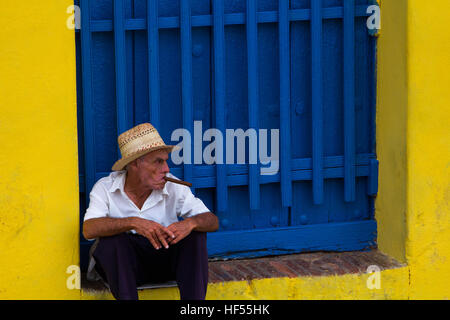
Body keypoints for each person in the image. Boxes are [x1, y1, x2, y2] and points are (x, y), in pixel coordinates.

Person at [82, 123, 219, 300]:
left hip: (164, 264)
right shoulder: (105, 188)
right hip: (124, 271)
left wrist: (190, 223)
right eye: (158, 161)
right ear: (135, 164)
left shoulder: (172, 185)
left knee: (196, 235)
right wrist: (134, 223)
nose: (166, 169)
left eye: (166, 161)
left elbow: (212, 221)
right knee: (112, 241)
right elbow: (89, 229)